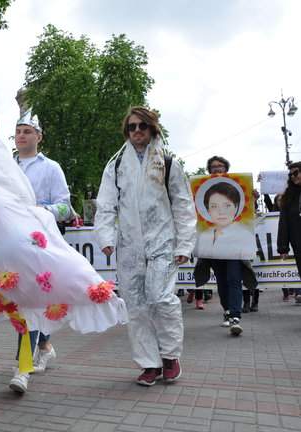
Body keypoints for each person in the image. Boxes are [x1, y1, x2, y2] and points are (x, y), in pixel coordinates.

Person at [95, 106, 196, 386]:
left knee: (161, 299)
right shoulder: (115, 164)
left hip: (162, 242)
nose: (137, 131)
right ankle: (149, 363)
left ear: (152, 128)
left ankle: (170, 356)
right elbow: (105, 205)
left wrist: (184, 244)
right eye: (131, 127)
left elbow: (183, 204)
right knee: (136, 306)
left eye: (142, 126)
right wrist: (104, 237)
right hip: (129, 246)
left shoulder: (167, 162)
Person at [8, 110, 74, 393]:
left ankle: (22, 368)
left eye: (27, 131)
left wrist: (40, 210)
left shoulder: (51, 168)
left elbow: (65, 207)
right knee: (25, 304)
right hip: (10, 244)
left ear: (39, 136)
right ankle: (44, 346)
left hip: (40, 244)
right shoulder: (4, 165)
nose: (21, 136)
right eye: (18, 131)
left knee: (30, 305)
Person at [196, 156, 250, 335]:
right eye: (213, 168)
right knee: (222, 281)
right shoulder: (203, 190)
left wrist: (253, 199)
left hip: (234, 246)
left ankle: (235, 316)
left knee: (234, 279)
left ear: (226, 169)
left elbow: (246, 212)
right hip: (214, 246)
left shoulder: (237, 186)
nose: (216, 170)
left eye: (220, 167)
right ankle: (227, 311)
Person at [277, 162, 301, 304]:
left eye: (296, 172)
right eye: (290, 174)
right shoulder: (288, 196)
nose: (293, 176)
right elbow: (283, 223)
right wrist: (283, 247)